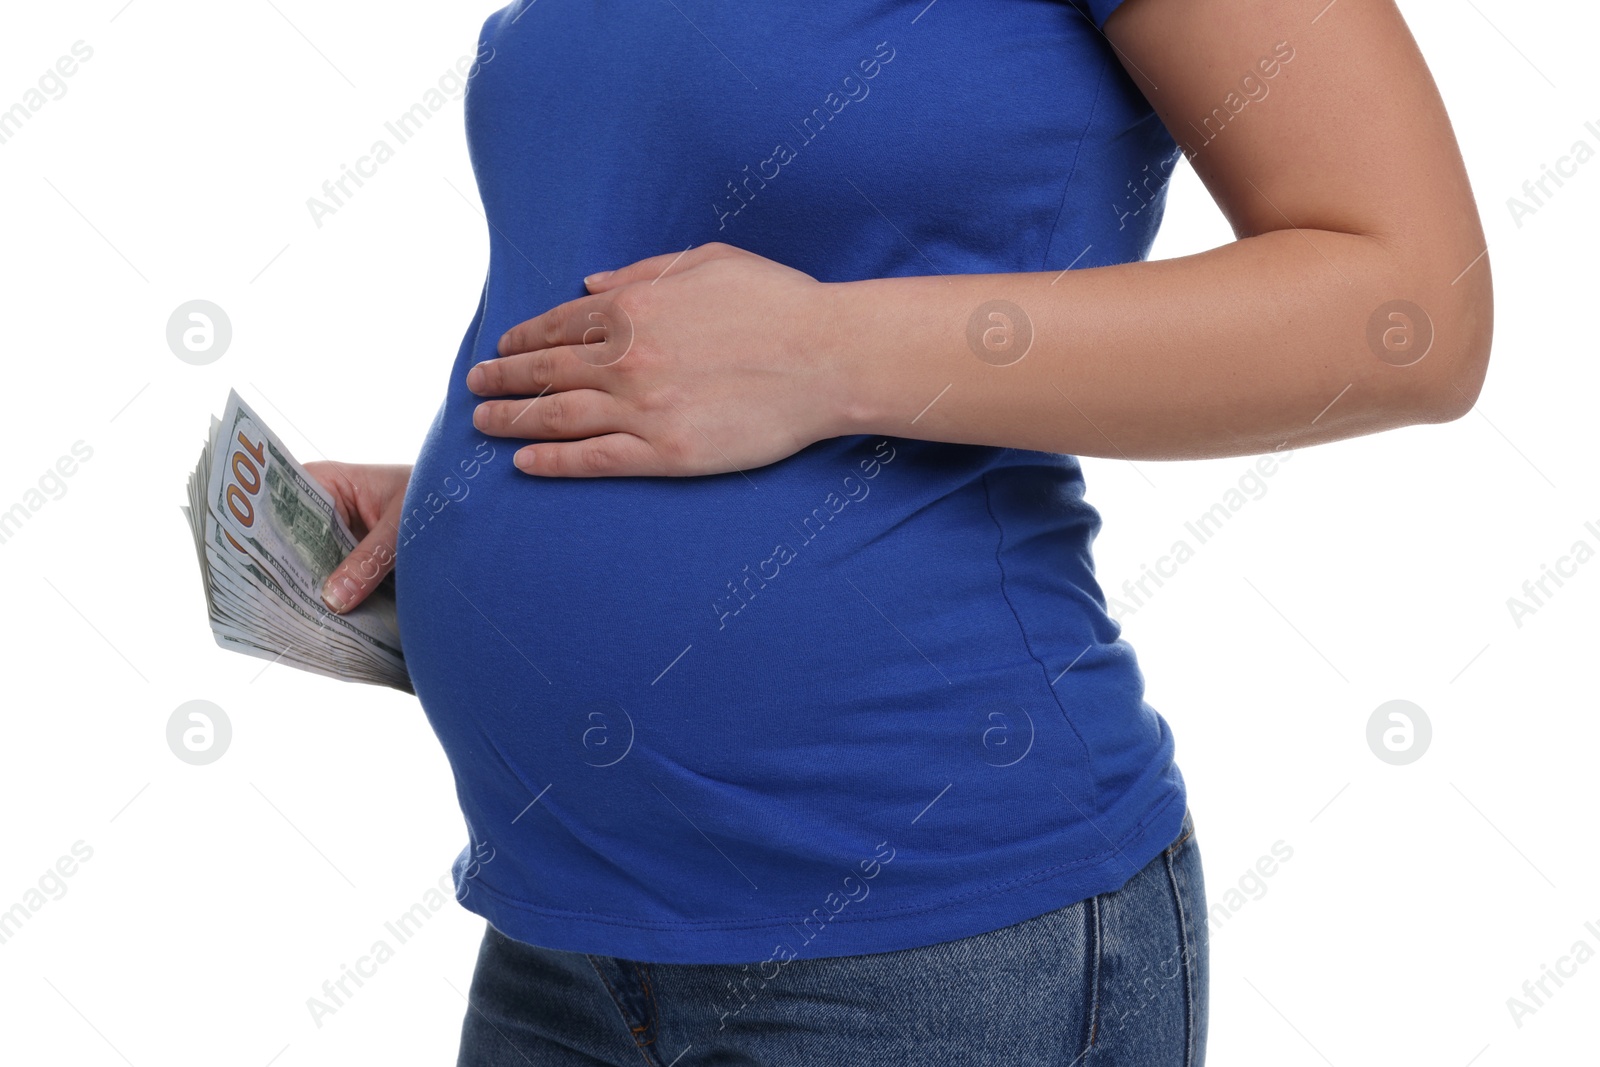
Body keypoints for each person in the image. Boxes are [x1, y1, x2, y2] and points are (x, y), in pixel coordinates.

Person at [306, 0, 1492, 1062]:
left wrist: (824, 355)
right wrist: (494, 478)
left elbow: (1409, 309)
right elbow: (641, 277)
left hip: (926, 946)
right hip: (559, 934)